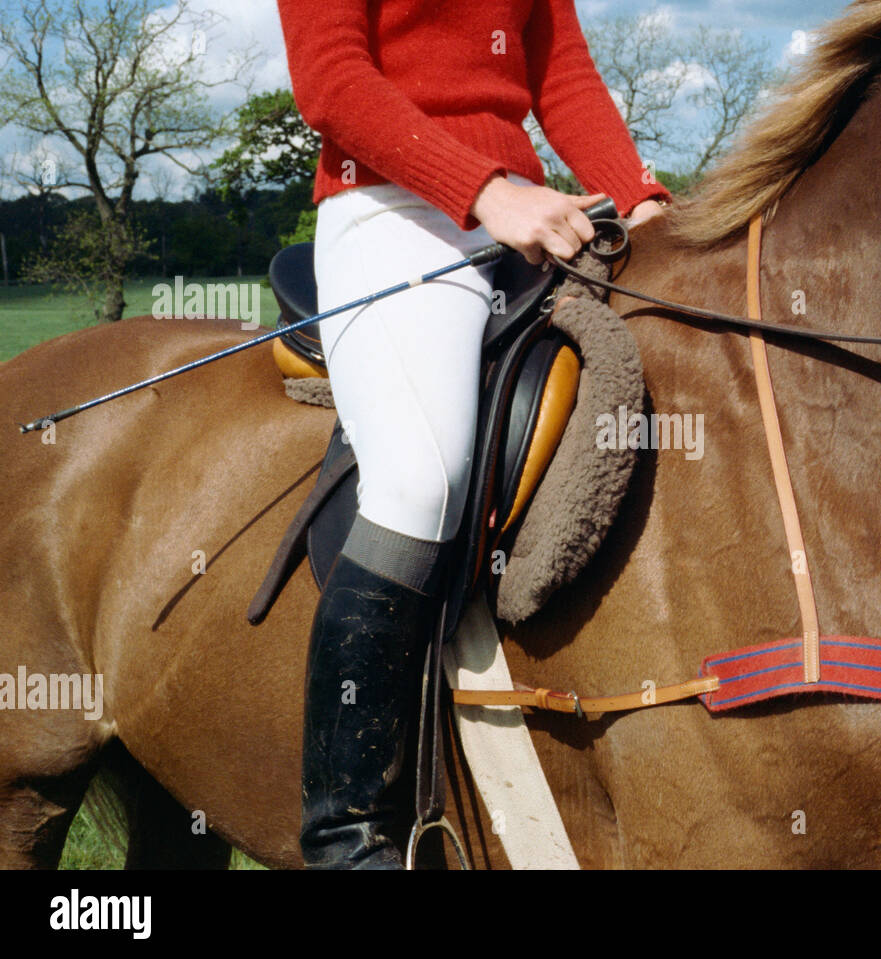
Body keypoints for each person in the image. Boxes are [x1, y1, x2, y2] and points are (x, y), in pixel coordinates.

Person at [276, 0, 672, 869]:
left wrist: (640, 201)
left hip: (527, 220)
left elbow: (560, 71)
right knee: (422, 477)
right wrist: (486, 192)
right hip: (392, 211)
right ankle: (347, 832)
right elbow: (333, 85)